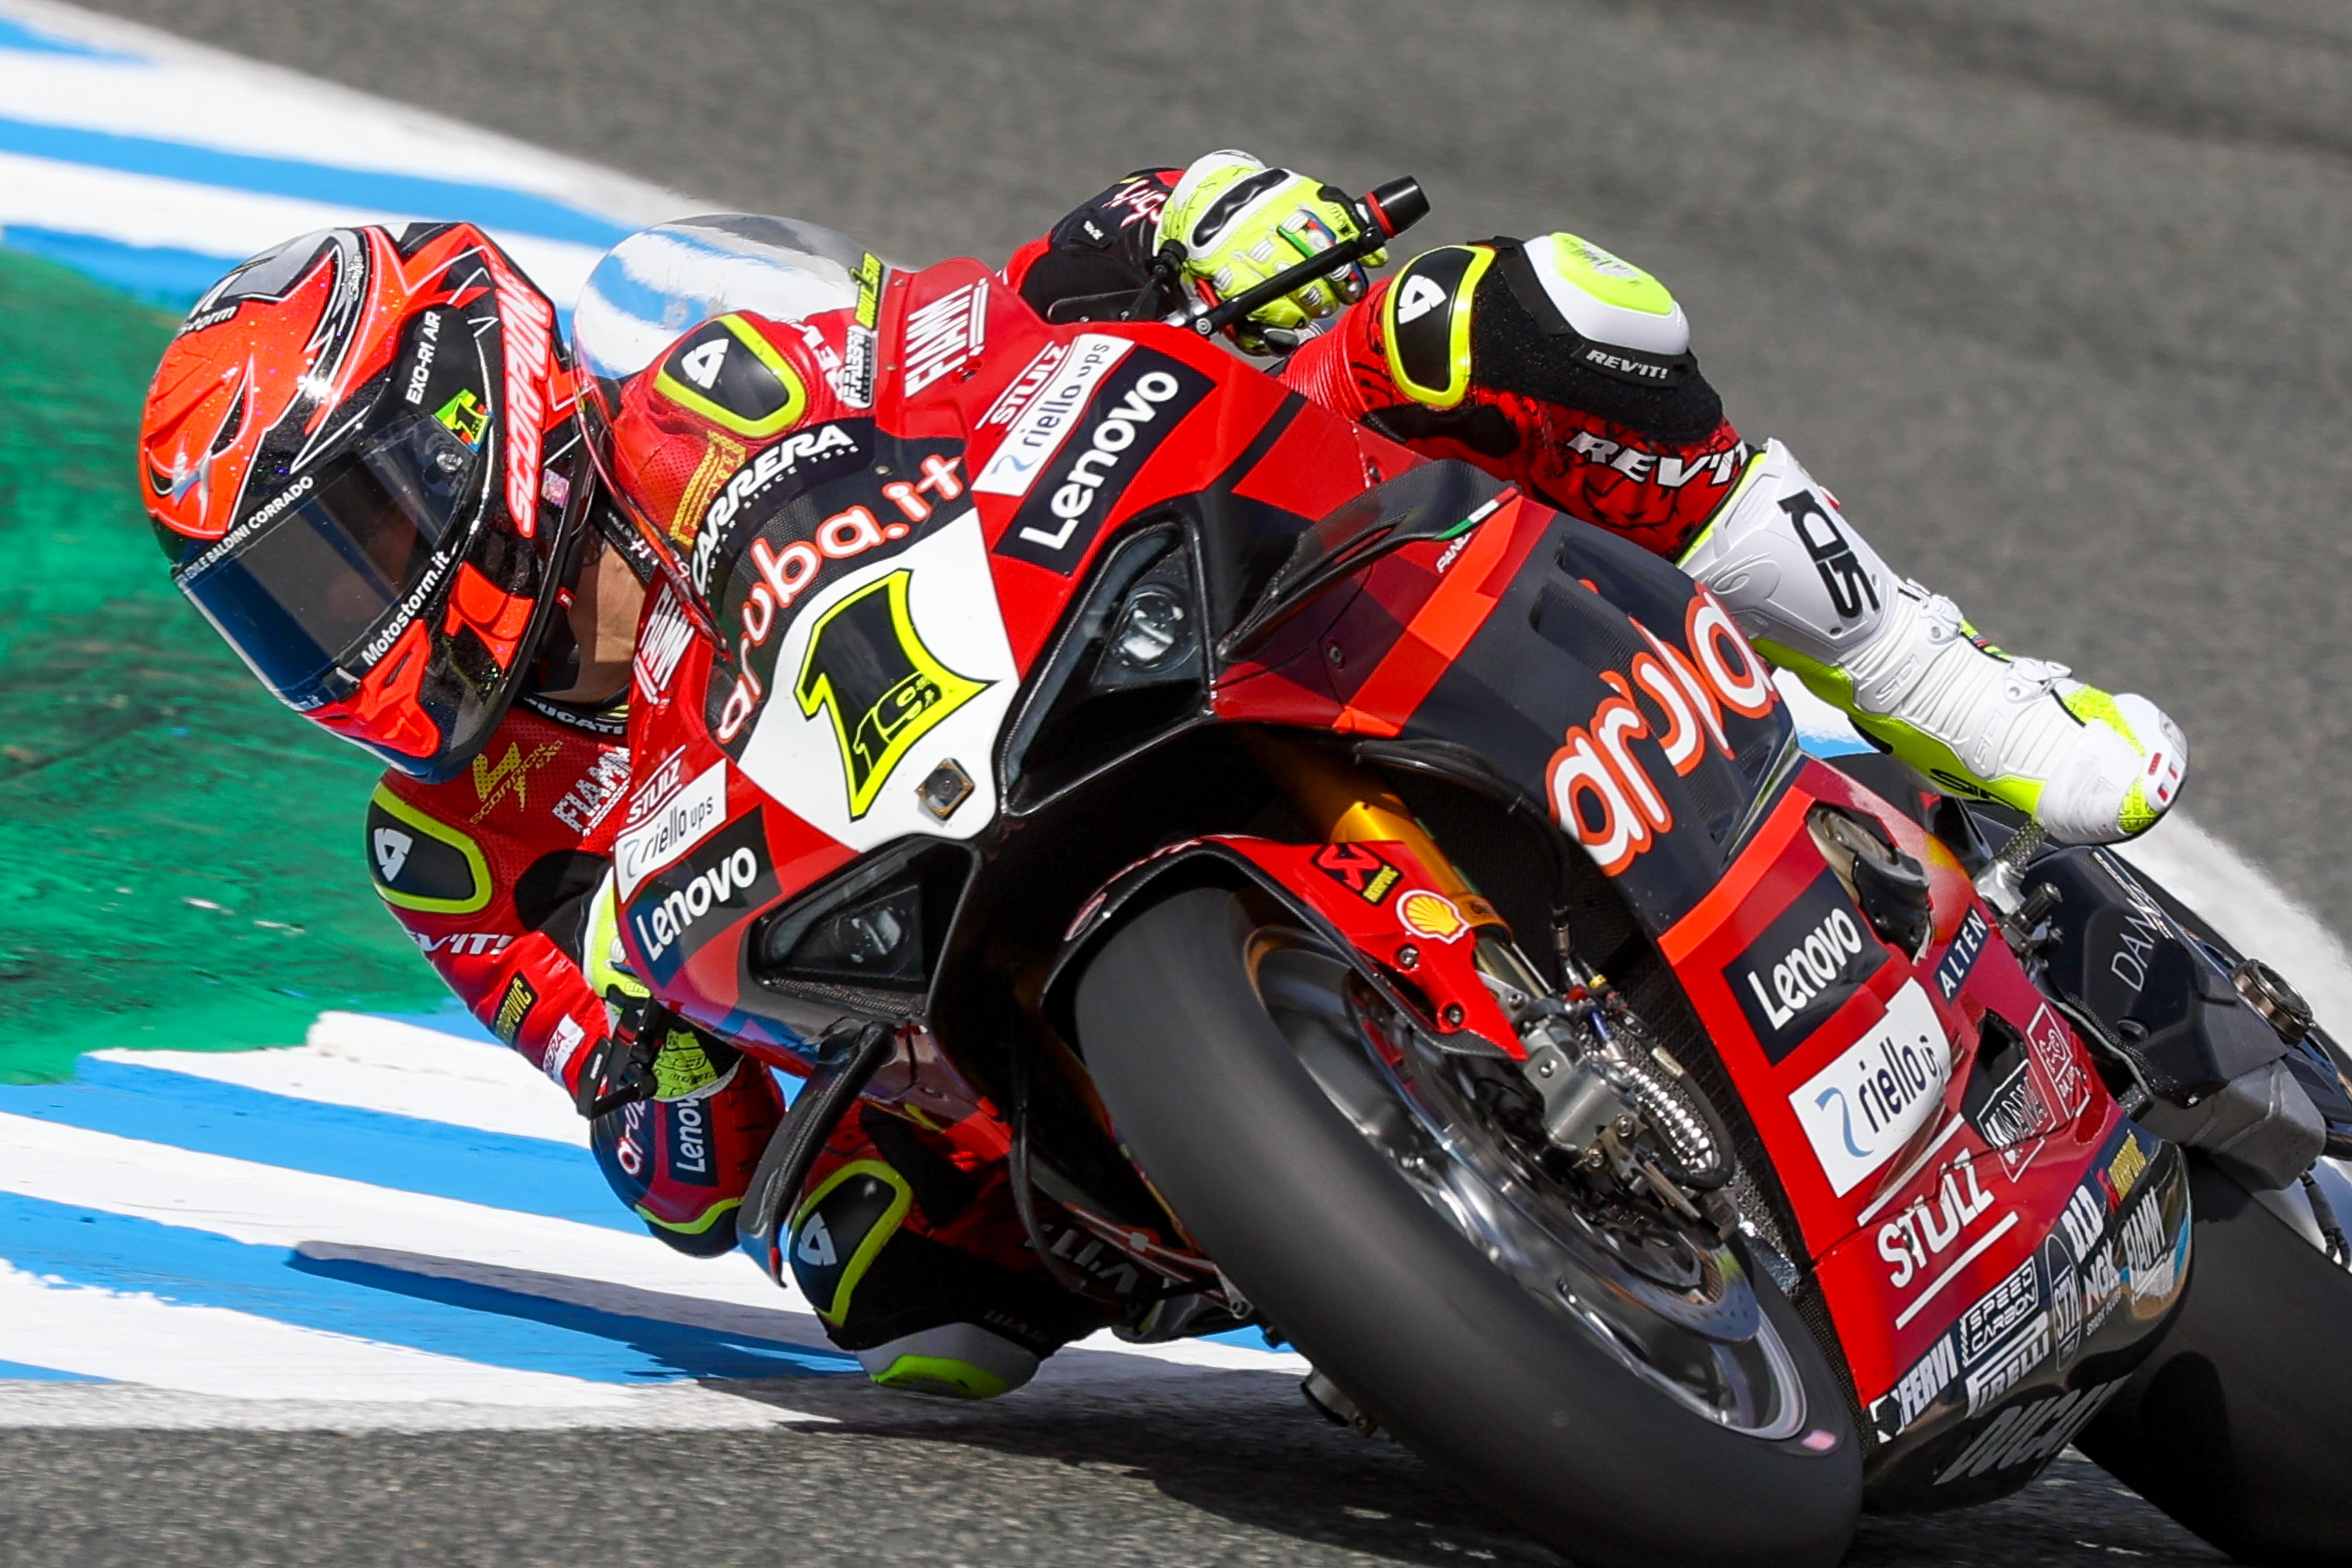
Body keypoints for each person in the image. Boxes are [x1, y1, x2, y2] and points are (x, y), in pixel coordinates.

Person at [134, 152, 2184, 1401]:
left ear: (476, 420)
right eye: (285, 610)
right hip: (924, 955)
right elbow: (617, 1098)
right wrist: (668, 1091)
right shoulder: (447, 844)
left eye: (350, 546)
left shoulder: (714, 370)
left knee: (1532, 319)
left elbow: (989, 325)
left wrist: (1183, 226)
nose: (348, 629)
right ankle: (1407, 1230)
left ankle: (1953, 692)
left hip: (1121, 631)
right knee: (881, 1279)